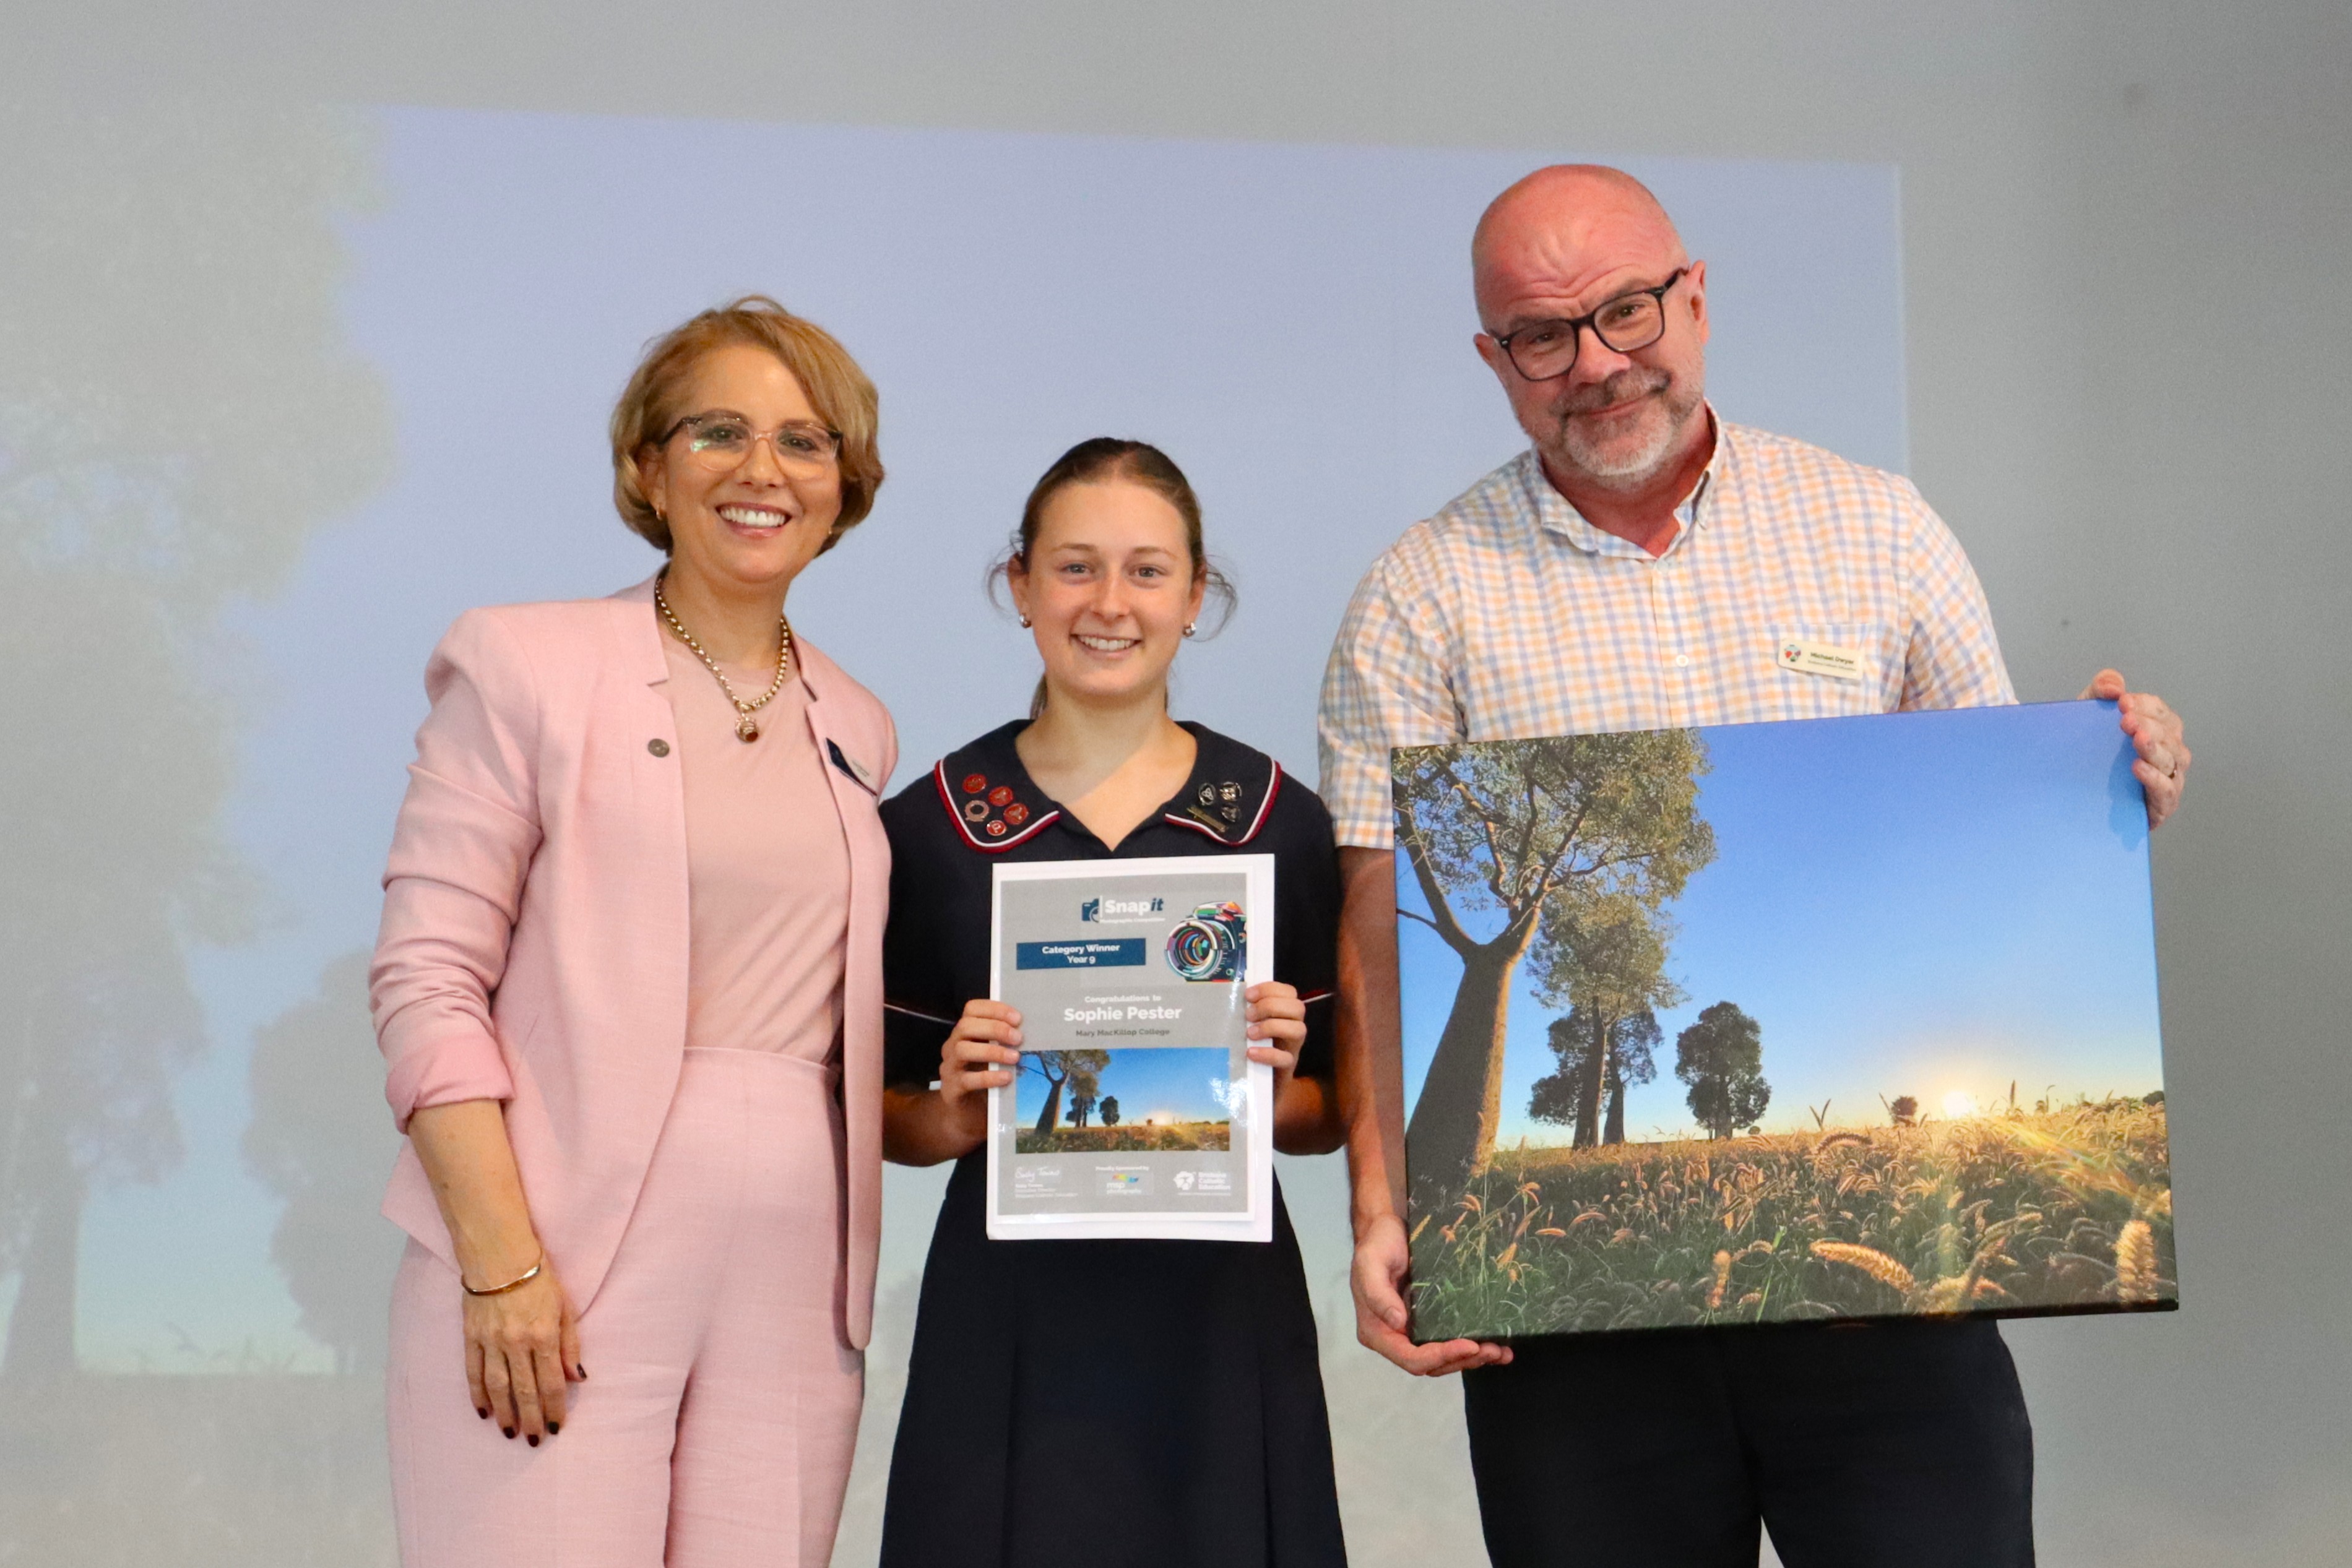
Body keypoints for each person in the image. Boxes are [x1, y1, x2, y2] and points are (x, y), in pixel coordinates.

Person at [1317, 166, 2193, 1568]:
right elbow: (1375, 924)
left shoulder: (1877, 528)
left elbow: (1993, 836)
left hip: (1891, 1304)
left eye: (1626, 309)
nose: (1596, 362)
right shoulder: (1421, 594)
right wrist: (1378, 1204)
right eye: (1542, 335)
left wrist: (2101, 779)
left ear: (1695, 296)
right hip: (1572, 1322)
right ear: (1493, 361)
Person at [370, 296, 897, 1566]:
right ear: (646, 468)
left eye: (804, 440)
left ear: (845, 487)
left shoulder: (862, 725)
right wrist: (502, 1266)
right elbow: (427, 977)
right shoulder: (524, 664)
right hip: (555, 1254)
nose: (761, 469)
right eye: (717, 431)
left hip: (795, 1279)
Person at [876, 438, 1351, 1568]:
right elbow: (880, 1115)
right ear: (1022, 584)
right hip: (1010, 1319)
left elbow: (1329, 1116)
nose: (1110, 603)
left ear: (1197, 596)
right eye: (1076, 567)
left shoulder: (1279, 821)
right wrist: (952, 1105)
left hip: (1220, 1315)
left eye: (1147, 571)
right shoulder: (929, 826)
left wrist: (1274, 1084)